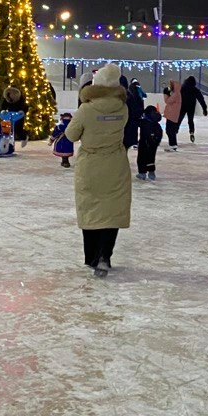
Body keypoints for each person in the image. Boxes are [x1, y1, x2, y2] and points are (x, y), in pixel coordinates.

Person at [64, 64, 132, 278]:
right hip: (116, 164)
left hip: (91, 165)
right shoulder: (123, 108)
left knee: (91, 210)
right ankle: (105, 256)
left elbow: (71, 135)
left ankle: (92, 256)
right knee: (112, 211)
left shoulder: (87, 109)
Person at [136, 105, 164, 181]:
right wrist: (156, 142)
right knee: (151, 158)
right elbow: (160, 134)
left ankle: (142, 173)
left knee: (141, 158)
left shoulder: (144, 122)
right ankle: (151, 172)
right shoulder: (156, 124)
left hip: (143, 144)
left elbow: (135, 121)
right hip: (153, 145)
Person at [179, 76, 208, 143]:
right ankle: (191, 132)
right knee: (190, 120)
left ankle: (175, 130)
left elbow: (177, 97)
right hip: (191, 107)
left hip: (182, 106)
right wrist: (204, 108)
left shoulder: (182, 88)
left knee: (179, 119)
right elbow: (201, 99)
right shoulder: (195, 90)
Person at [122, 76, 144, 149]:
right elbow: (144, 95)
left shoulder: (127, 94)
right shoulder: (138, 87)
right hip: (135, 113)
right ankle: (135, 142)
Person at [162, 79, 182, 151]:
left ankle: (173, 145)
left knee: (170, 130)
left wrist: (166, 94)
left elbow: (167, 101)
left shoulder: (176, 94)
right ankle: (172, 145)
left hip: (172, 115)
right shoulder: (176, 94)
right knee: (170, 130)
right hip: (172, 114)